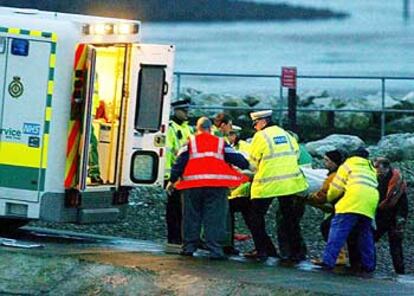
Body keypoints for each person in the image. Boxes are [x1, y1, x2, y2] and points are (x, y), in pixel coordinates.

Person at [167, 117, 249, 259]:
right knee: (215, 218)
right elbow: (240, 160)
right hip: (216, 186)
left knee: (190, 217)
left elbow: (179, 163)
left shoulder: (189, 143)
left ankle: (188, 248)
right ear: (211, 128)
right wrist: (247, 166)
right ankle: (215, 250)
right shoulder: (220, 143)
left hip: (192, 186)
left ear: (197, 128)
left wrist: (172, 181)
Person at [248, 110, 309, 262]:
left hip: (268, 184)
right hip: (290, 184)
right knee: (290, 219)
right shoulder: (287, 135)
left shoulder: (260, 136)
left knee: (255, 217)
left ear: (262, 122)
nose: (255, 127)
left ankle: (262, 250)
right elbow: (296, 154)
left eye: (255, 124)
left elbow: (253, 162)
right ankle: (295, 252)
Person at [320, 147, 379, 273]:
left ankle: (328, 261)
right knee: (365, 234)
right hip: (370, 202)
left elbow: (336, 187)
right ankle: (368, 265)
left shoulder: (347, 165)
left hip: (352, 200)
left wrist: (329, 198)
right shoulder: (370, 168)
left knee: (337, 232)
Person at [306, 149, 348, 266]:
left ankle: (338, 257)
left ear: (334, 162)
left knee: (327, 227)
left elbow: (323, 194)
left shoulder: (334, 176)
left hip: (343, 206)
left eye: (327, 160)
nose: (324, 163)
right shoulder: (340, 172)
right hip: (346, 205)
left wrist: (309, 197)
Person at [164, 99, 193, 245]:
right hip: (173, 175)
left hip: (184, 175)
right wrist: (172, 177)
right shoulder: (171, 128)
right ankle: (174, 237)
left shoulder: (187, 129)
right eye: (184, 111)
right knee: (174, 209)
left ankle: (180, 237)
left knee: (182, 209)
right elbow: (170, 152)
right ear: (176, 111)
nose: (187, 113)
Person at [373, 157, 408, 274]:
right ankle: (366, 265)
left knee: (395, 247)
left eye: (378, 167)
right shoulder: (382, 179)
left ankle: (400, 272)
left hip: (393, 218)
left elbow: (403, 202)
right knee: (370, 240)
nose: (376, 169)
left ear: (386, 167)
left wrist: (401, 219)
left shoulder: (397, 182)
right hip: (381, 216)